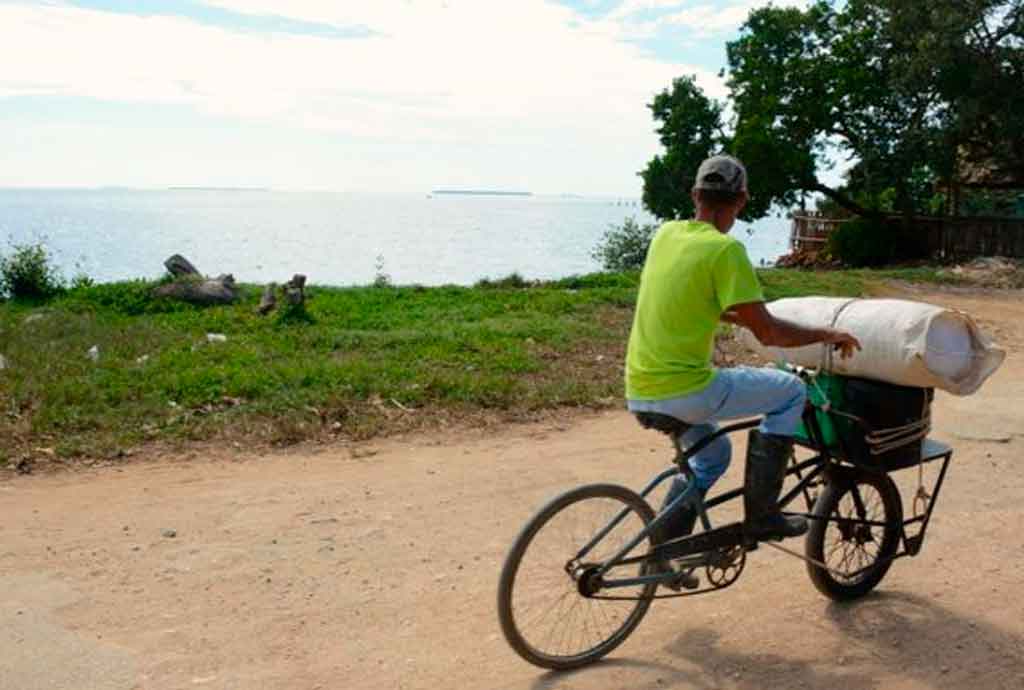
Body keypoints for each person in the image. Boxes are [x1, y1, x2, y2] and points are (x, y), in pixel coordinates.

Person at [625, 155, 861, 567]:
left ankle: (659, 555)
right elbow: (768, 333)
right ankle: (764, 515)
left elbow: (702, 307)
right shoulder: (725, 250)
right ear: (742, 200)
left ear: (695, 195)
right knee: (790, 391)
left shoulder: (665, 235)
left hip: (640, 389)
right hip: (686, 392)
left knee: (712, 457)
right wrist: (826, 334)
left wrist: (744, 316)